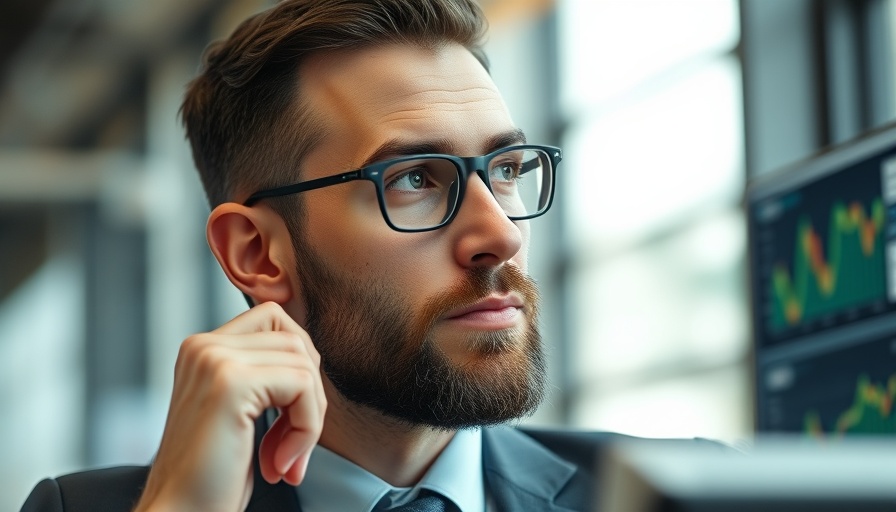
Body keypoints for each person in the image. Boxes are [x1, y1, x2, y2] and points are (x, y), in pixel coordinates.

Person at [21, 1, 610, 510]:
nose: (501, 235)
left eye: (505, 170)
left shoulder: (665, 495)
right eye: (411, 180)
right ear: (257, 254)